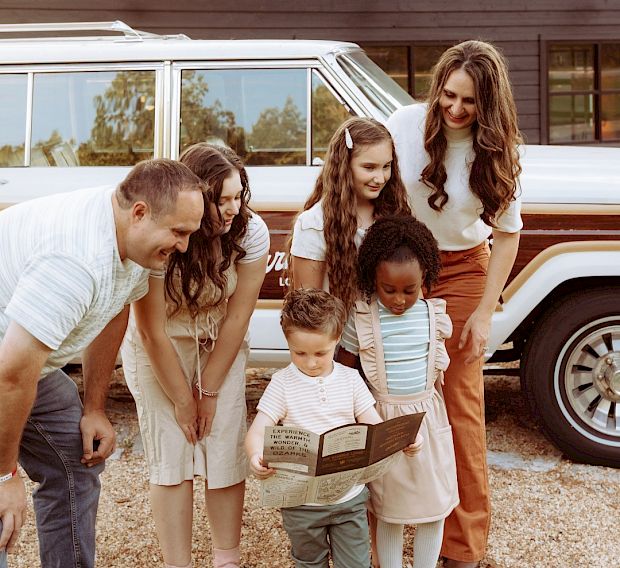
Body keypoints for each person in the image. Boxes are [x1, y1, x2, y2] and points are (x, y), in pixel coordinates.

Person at [0, 159, 205, 568]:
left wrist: (94, 408)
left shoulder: (129, 240)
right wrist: (4, 477)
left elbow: (114, 309)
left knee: (76, 461)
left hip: (25, 361)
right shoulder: (75, 260)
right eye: (178, 232)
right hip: (12, 363)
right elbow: (10, 376)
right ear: (141, 213)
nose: (183, 246)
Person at [386, 40, 523, 568]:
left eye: (469, 102)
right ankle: (386, 530)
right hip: (402, 264)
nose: (456, 109)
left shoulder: (502, 149)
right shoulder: (403, 124)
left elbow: (507, 235)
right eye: (449, 95)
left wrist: (486, 312)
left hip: (466, 267)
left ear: (488, 105)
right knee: (393, 391)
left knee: (460, 399)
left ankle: (464, 548)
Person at [120, 144, 269, 568]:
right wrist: (184, 401)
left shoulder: (249, 231)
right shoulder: (162, 237)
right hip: (161, 346)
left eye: (237, 197)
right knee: (172, 453)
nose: (230, 209)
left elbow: (238, 317)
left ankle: (227, 558)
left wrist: (209, 390)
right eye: (220, 200)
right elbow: (149, 330)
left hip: (219, 342)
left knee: (224, 447)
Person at [245, 288, 423, 568]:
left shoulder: (350, 380)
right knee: (308, 562)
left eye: (321, 352)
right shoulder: (282, 383)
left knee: (355, 563)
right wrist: (256, 455)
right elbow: (258, 430)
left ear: (337, 339)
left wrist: (403, 440)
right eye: (299, 353)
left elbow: (374, 425)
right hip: (301, 504)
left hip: (348, 498)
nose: (311, 361)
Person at [338, 215, 458, 568]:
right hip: (382, 422)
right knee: (389, 510)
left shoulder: (433, 315)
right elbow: (343, 369)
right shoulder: (362, 318)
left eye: (410, 290)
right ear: (372, 278)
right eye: (388, 289)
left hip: (428, 422)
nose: (399, 300)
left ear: (425, 280)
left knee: (433, 507)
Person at [289, 117, 410, 312]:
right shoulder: (313, 224)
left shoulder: (396, 212)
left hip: (392, 336)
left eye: (386, 166)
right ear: (344, 165)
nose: (380, 178)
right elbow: (308, 313)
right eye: (369, 167)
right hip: (338, 338)